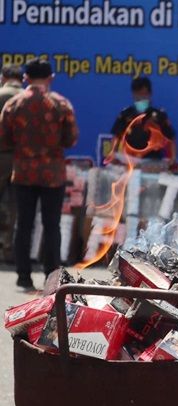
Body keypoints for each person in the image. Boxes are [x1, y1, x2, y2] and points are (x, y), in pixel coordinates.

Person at [0, 59, 78, 289]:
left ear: (25, 78)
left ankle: (23, 276)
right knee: (51, 225)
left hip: (23, 173)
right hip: (53, 175)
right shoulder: (61, 104)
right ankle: (51, 277)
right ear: (51, 78)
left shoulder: (13, 105)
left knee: (23, 224)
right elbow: (71, 139)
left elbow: (3, 139)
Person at [111, 77, 176, 164]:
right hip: (129, 159)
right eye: (138, 94)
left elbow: (171, 137)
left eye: (144, 94)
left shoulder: (159, 115)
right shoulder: (125, 114)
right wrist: (113, 153)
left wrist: (173, 158)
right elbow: (116, 136)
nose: (141, 97)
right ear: (133, 94)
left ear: (150, 94)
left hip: (153, 160)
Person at [0, 65, 24, 259]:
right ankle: (7, 249)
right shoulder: (28, 98)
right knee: (15, 206)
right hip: (22, 160)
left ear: (4, 77)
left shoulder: (1, 95)